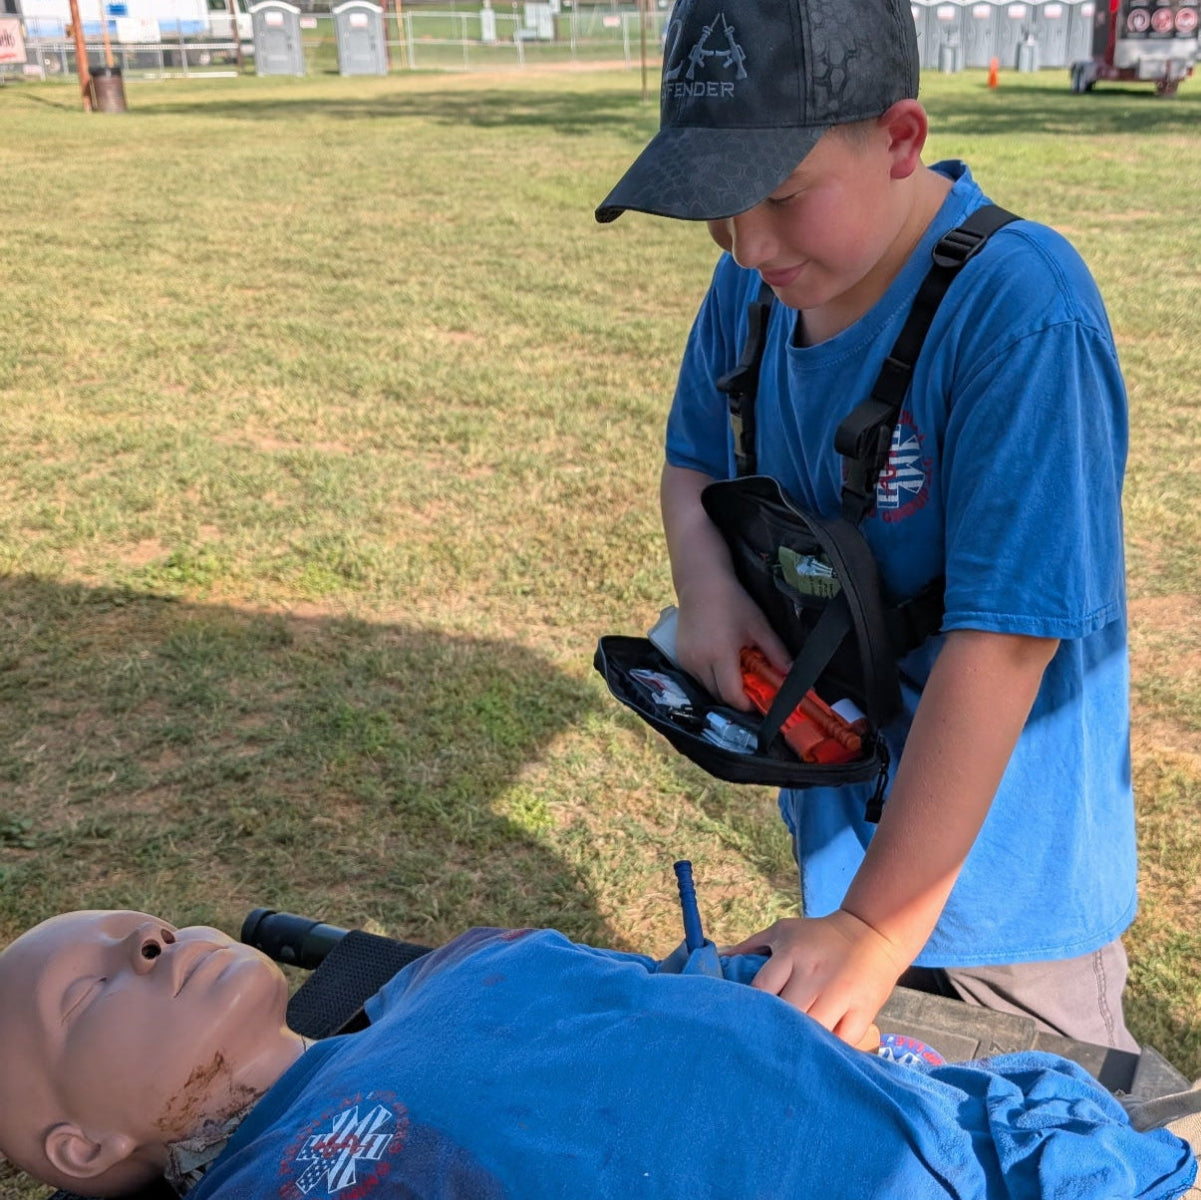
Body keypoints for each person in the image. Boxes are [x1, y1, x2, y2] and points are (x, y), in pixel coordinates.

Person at [595, 0, 1139, 1051]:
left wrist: (875, 927)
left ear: (900, 139)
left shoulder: (1022, 313)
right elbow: (693, 461)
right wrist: (708, 596)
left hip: (1006, 906)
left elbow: (1005, 642)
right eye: (719, 207)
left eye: (781, 195)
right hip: (847, 861)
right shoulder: (754, 289)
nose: (746, 244)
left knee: (1034, 1120)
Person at [0, 909, 1196, 1200]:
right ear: (80, 1145)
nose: (151, 941)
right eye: (89, 989)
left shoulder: (454, 971)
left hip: (994, 1137)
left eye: (145, 928)